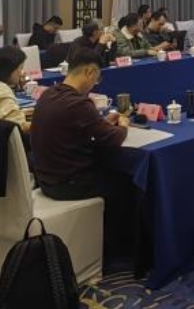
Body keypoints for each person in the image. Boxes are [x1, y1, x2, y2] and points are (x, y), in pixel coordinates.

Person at [31, 49, 132, 249]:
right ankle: (119, 249)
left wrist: (102, 122)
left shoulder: (48, 94)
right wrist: (123, 124)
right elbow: (114, 138)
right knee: (128, 183)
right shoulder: (78, 103)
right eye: (97, 78)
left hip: (45, 179)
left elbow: (78, 127)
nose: (95, 83)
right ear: (89, 72)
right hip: (69, 184)